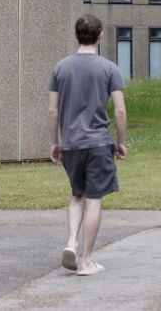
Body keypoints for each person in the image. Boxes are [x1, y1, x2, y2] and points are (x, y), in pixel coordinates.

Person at [48, 14, 127, 276]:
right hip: (98, 143)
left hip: (71, 143)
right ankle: (85, 261)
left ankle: (71, 242)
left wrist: (55, 143)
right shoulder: (109, 69)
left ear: (75, 35)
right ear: (101, 36)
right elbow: (119, 111)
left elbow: (52, 111)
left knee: (77, 195)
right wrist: (121, 141)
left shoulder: (60, 68)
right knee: (94, 199)